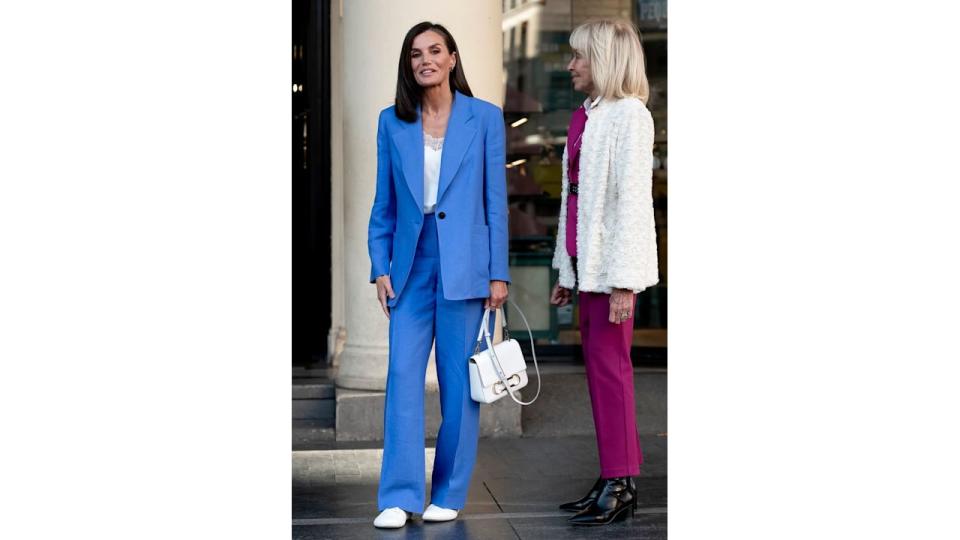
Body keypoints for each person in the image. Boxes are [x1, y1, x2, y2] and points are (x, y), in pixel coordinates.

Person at [367, 21, 510, 529]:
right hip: (409, 264)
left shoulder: (485, 118)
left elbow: (496, 201)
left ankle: (447, 492)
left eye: (434, 51)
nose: (424, 59)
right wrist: (378, 266)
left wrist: (499, 274)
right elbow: (383, 203)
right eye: (415, 53)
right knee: (403, 377)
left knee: (457, 382)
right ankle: (399, 494)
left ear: (452, 58)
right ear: (408, 65)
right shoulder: (391, 122)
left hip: (466, 267)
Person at [549, 19, 659, 526]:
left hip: (611, 274)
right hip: (587, 269)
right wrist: (565, 271)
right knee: (599, 375)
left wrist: (624, 281)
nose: (571, 66)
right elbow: (573, 202)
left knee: (612, 374)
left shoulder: (629, 116)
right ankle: (613, 475)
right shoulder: (584, 116)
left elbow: (632, 205)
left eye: (580, 57)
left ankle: (621, 482)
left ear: (606, 61)